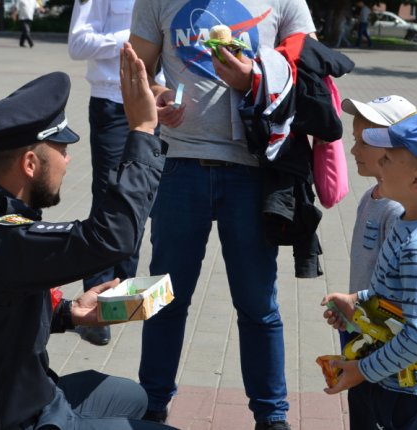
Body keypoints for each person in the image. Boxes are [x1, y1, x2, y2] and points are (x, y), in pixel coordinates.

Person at [0, 45, 176, 430]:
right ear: (30, 164)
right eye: (61, 149)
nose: (68, 159)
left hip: (27, 396)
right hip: (11, 420)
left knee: (133, 396)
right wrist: (142, 131)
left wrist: (69, 314)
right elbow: (112, 239)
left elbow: (4, 300)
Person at [128, 1, 316, 429]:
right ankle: (152, 404)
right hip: (179, 165)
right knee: (163, 297)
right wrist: (156, 97)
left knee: (257, 304)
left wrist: (255, 79)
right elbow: (136, 72)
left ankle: (272, 416)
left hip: (252, 169)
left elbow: (310, 65)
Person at [322, 110, 417, 430]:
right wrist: (358, 300)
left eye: (388, 159)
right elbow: (394, 295)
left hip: (414, 392)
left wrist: (361, 370)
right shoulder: (410, 221)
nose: (381, 164)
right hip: (396, 377)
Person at [67, 0, 137, 346]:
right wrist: (134, 36)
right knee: (110, 197)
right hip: (112, 101)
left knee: (141, 197)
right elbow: (77, 44)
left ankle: (126, 293)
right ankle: (95, 304)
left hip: (159, 101)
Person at [336, 95, 415, 348]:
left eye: (365, 142)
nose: (353, 150)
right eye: (355, 139)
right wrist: (349, 310)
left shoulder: (398, 210)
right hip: (362, 324)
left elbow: (403, 287)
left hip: (388, 338)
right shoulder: (369, 198)